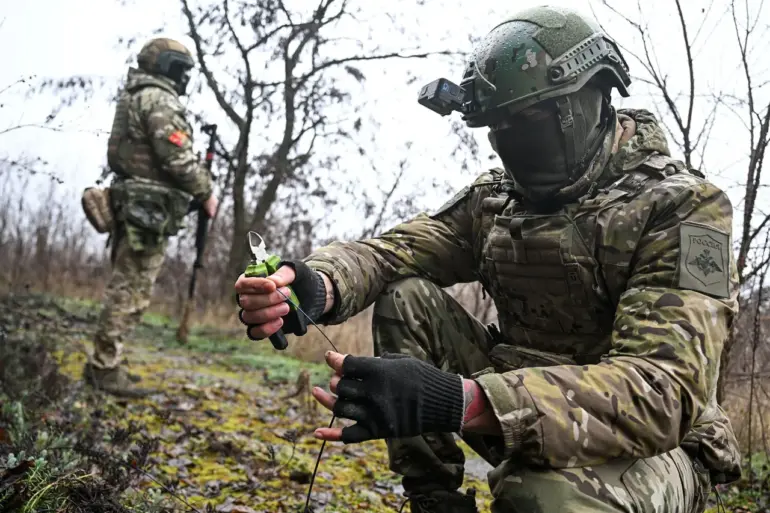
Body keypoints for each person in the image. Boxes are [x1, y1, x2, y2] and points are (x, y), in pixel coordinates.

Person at [234, 6, 741, 513]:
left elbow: (662, 392)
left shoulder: (685, 210)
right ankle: (434, 501)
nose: (510, 141)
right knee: (407, 297)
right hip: (514, 406)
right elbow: (396, 252)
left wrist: (461, 400)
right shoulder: (497, 201)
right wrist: (318, 284)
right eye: (497, 126)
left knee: (540, 495)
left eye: (528, 122)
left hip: (657, 448)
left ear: (585, 100)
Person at [84, 38, 218, 397]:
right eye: (181, 69)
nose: (185, 77)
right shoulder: (158, 99)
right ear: (166, 66)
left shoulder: (140, 94)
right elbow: (176, 157)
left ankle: (106, 362)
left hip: (139, 206)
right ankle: (104, 368)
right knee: (130, 290)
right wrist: (206, 191)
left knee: (128, 286)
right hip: (145, 210)